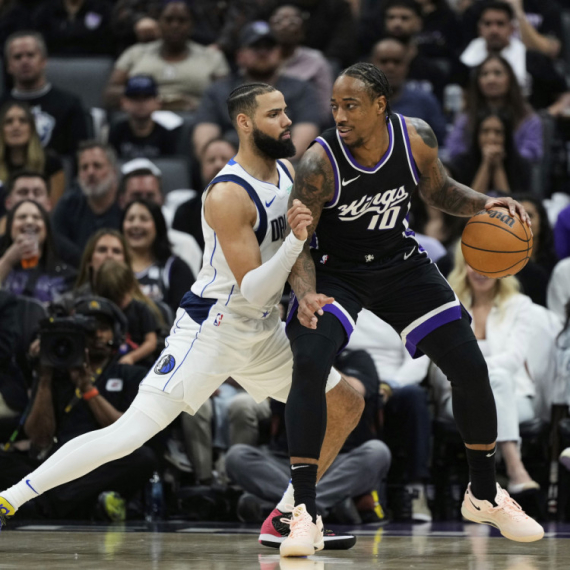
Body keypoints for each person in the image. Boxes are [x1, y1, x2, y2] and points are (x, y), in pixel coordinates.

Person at [0, 84, 364, 557]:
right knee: (127, 435)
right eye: (274, 114)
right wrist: (296, 240)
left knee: (345, 404)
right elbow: (254, 286)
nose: (287, 121)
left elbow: (290, 258)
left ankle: (286, 517)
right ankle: (10, 498)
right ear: (245, 123)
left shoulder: (287, 172)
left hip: (261, 331)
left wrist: (306, 288)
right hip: (211, 330)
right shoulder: (227, 194)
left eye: (286, 111)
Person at [279, 62, 543, 551]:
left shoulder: (415, 137)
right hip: (337, 271)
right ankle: (303, 511)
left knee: (470, 366)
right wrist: (306, 293)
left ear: (380, 105)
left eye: (351, 105)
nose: (340, 115)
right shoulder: (318, 162)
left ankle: (484, 494)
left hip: (400, 264)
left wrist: (486, 204)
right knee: (310, 363)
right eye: (335, 106)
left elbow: (437, 190)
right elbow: (299, 241)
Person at [0, 295, 158, 522]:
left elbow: (129, 433)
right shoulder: (55, 373)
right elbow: (40, 437)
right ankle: (61, 504)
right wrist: (44, 378)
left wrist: (88, 389)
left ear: (116, 333)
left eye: (103, 328)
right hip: (55, 464)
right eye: (89, 329)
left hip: (102, 464)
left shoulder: (130, 374)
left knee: (143, 457)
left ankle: (47, 506)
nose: (97, 335)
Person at [429, 244, 542, 494]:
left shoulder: (519, 304)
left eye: (488, 265)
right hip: (459, 396)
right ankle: (515, 469)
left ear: (501, 268)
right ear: (463, 267)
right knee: (495, 379)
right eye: (474, 264)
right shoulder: (448, 305)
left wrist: (469, 368)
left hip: (515, 398)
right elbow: (440, 358)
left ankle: (488, 482)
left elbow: (514, 358)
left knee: (499, 379)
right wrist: (471, 374)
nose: (481, 272)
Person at [192, 20, 320, 162]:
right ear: (239, 56)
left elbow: (304, 135)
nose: (263, 52)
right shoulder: (218, 91)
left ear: (279, 53)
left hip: (283, 166)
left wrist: (271, 167)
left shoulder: (301, 89)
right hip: (230, 165)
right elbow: (205, 138)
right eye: (255, 46)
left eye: (269, 46)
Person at [105, 0, 229, 110]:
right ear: (158, 22)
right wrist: (141, 98)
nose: (175, 26)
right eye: (168, 20)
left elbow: (225, 97)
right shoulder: (135, 53)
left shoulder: (212, 57)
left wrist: (200, 107)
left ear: (192, 25)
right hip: (145, 118)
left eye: (182, 20)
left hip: (195, 118)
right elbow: (110, 93)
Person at [458, 1, 566, 110]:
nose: (494, 30)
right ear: (479, 28)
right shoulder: (466, 60)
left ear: (512, 28)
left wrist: (547, 115)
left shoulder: (532, 60)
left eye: (500, 24)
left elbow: (565, 94)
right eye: (487, 24)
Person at [1, 31, 89, 156]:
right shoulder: (1, 106)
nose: (24, 61)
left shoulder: (69, 105)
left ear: (44, 60)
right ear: (8, 66)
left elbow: (79, 155)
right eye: (17, 57)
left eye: (30, 55)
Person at [445, 54, 543, 163]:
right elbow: (454, 151)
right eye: (484, 74)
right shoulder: (465, 118)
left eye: (498, 73)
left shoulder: (528, 118)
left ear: (510, 78)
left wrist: (500, 156)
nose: (491, 79)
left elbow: (532, 155)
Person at [52, 141, 122, 260]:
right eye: (84, 167)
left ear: (114, 171)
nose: (90, 172)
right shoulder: (68, 205)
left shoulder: (125, 206)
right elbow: (56, 245)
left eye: (97, 166)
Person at [121, 198, 194, 311]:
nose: (136, 225)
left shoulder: (176, 268)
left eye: (144, 219)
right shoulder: (112, 266)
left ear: (158, 225)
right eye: (130, 219)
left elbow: (188, 313)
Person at [371, 37, 446, 145]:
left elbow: (440, 141)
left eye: (397, 62)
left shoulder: (425, 101)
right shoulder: (356, 101)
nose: (390, 67)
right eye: (384, 61)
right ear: (371, 65)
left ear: (406, 67)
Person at [269, 4, 334, 126]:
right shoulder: (261, 59)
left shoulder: (316, 61)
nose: (285, 25)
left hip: (305, 122)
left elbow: (325, 108)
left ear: (302, 30)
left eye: (292, 22)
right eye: (278, 21)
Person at [0, 199, 75, 304]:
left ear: (46, 228)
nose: (29, 222)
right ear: (10, 226)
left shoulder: (65, 275)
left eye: (37, 217)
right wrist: (8, 261)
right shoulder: (4, 264)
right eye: (22, 217)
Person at [172, 137, 238, 250]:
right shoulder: (185, 212)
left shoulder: (255, 206)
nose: (218, 165)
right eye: (211, 160)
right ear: (201, 168)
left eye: (225, 159)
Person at [446, 109, 532, 194]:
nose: (491, 138)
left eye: (498, 132)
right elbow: (472, 201)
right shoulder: (461, 164)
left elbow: (510, 201)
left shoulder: (521, 166)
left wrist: (498, 166)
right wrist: (486, 164)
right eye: (485, 131)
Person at [93, 259, 159, 367]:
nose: (116, 306)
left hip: (137, 365)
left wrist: (132, 357)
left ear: (130, 287)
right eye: (110, 299)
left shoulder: (141, 310)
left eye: (119, 299)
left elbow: (151, 343)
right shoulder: (100, 310)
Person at [0, 101, 65, 205]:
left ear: (32, 128)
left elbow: (55, 207)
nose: (16, 126)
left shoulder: (51, 162)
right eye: (9, 121)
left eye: (22, 121)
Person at [108, 75, 180, 159]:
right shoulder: (116, 133)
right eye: (134, 97)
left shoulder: (167, 136)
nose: (141, 103)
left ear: (158, 102)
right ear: (123, 102)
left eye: (146, 97)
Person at [32, 0, 115, 56]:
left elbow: (108, 41)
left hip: (93, 63)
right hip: (55, 62)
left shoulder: (101, 8)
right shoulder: (46, 10)